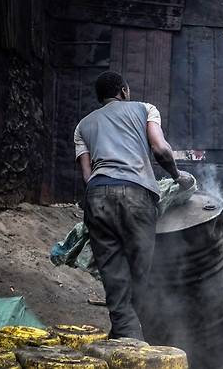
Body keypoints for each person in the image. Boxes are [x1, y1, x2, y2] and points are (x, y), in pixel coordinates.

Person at [74, 71, 192, 340]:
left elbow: (86, 175)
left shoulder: (82, 126)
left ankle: (126, 340)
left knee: (115, 279)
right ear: (124, 91)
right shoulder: (145, 109)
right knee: (142, 275)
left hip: (97, 196)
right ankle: (151, 344)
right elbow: (161, 149)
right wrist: (177, 176)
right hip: (137, 197)